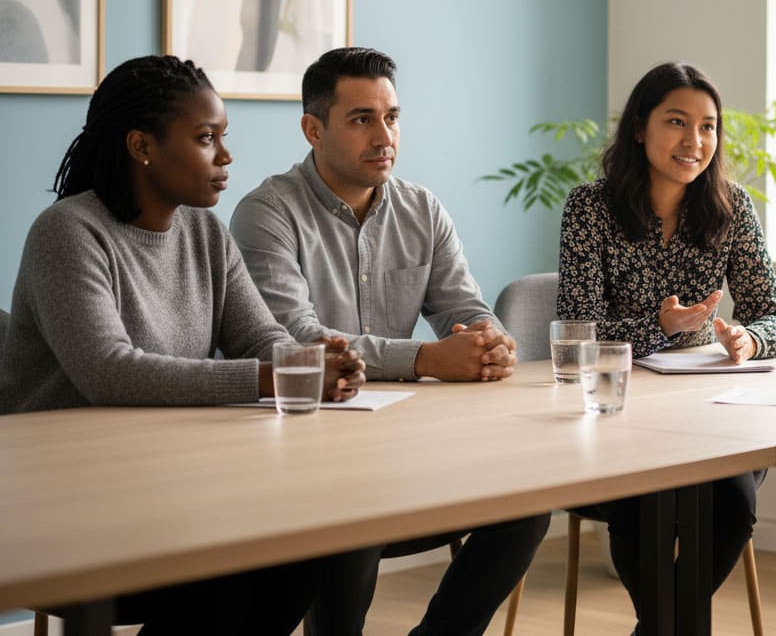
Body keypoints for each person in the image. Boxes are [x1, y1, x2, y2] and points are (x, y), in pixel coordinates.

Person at [0, 55, 365, 635]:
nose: (226, 157)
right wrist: (276, 378)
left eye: (223, 137)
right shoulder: (67, 233)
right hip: (67, 500)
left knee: (309, 548)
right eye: (206, 138)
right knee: (219, 577)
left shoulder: (203, 232)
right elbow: (109, 372)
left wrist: (309, 358)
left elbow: (259, 336)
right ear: (143, 146)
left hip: (170, 481)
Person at [229, 46, 550, 636]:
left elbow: (464, 307)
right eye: (362, 120)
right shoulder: (266, 214)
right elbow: (296, 339)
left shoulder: (422, 209)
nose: (385, 136)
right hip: (304, 456)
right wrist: (428, 357)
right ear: (312, 128)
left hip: (401, 446)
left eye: (392, 117)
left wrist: (491, 340)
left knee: (525, 503)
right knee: (351, 519)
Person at [557, 62, 776, 630]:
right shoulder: (589, 210)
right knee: (641, 508)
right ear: (640, 128)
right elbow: (578, 334)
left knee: (734, 507)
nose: (695, 141)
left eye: (709, 126)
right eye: (677, 122)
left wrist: (748, 337)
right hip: (621, 418)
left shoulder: (732, 206)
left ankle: (657, 628)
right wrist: (658, 329)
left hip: (714, 418)